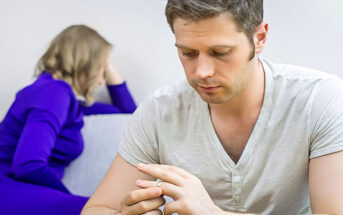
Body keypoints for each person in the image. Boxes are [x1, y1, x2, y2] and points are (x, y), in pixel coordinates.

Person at [82, 0, 343, 214]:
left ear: (260, 38)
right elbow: (97, 209)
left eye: (220, 53)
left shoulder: (319, 100)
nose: (202, 72)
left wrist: (211, 212)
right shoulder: (158, 112)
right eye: (188, 53)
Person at [0, 25, 136, 215]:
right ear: (85, 66)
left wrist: (102, 57)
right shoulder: (54, 93)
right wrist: (69, 198)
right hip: (8, 188)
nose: (101, 81)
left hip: (17, 189)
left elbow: (128, 113)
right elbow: (28, 166)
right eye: (100, 70)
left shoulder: (62, 99)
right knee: (107, 210)